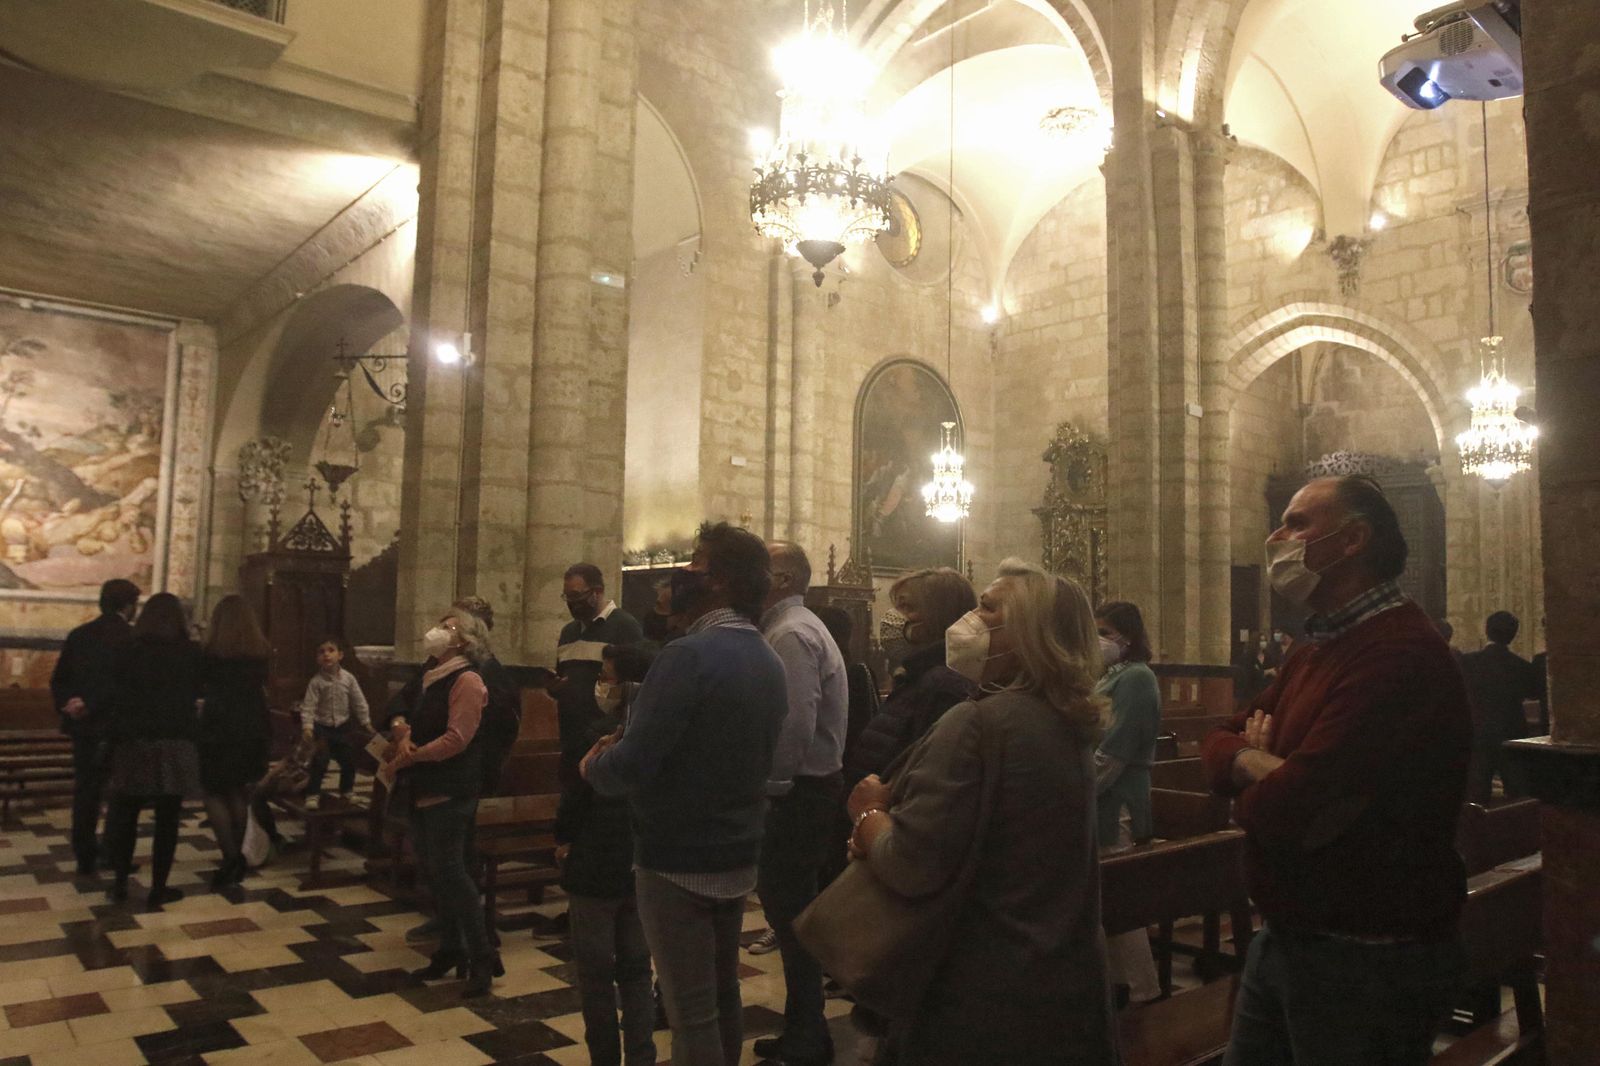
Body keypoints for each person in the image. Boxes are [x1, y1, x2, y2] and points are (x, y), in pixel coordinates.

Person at [1200, 476, 1472, 1065]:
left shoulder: (1396, 653)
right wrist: (1256, 762)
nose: (1278, 536)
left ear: (1353, 540)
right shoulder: (1315, 648)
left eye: (1298, 523)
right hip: (1290, 935)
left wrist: (1251, 792)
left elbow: (1299, 807)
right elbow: (1218, 740)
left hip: (1365, 954)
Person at [845, 560, 1117, 1065]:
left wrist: (868, 816)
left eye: (987, 608)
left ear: (1028, 635)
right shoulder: (1065, 717)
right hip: (1063, 979)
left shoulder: (978, 722)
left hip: (982, 993)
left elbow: (911, 862)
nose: (968, 620)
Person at [583, 522, 788, 1066]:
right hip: (738, 850)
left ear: (718, 581)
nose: (683, 573)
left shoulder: (688, 655)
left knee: (689, 1009)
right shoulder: (766, 657)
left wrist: (594, 764)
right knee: (723, 995)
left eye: (695, 562)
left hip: (678, 857)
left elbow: (633, 763)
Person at [752, 542, 848, 1066]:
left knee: (793, 920)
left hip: (798, 793)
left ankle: (809, 1036)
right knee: (791, 918)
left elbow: (793, 723)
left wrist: (771, 788)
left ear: (783, 578)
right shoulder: (794, 626)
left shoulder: (791, 632)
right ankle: (806, 1029)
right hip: (804, 790)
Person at [383, 607, 499, 997]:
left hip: (450, 787)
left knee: (452, 872)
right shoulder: (434, 675)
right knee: (436, 872)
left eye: (447, 626)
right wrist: (404, 735)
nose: (436, 630)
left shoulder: (466, 679)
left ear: (463, 641)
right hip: (425, 785)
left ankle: (482, 956)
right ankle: (451, 949)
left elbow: (457, 738)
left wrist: (412, 756)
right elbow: (419, 719)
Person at [557, 643, 658, 1066]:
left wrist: (562, 840)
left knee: (596, 976)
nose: (601, 684)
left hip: (596, 865)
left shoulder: (598, 737)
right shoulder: (659, 735)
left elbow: (576, 796)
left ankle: (605, 1059)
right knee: (637, 972)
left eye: (607, 676)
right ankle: (641, 1057)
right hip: (640, 864)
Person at [103, 592, 203, 907]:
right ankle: (159, 887)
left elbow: (113, 694)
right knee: (167, 818)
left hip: (134, 741)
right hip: (174, 740)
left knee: (127, 814)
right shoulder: (190, 652)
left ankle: (120, 882)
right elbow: (198, 692)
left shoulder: (126, 650)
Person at [845, 567, 977, 789]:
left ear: (939, 615)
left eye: (906, 606)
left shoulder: (945, 685)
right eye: (897, 606)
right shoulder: (916, 675)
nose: (893, 617)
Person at [1093, 600, 1164, 1006]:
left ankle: (1143, 992)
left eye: (1105, 632)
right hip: (1101, 798)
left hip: (1117, 801)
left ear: (1129, 637)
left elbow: (1114, 753)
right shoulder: (1108, 676)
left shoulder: (1137, 678)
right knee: (1106, 903)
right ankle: (1115, 989)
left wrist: (1077, 788)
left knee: (1122, 903)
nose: (1098, 640)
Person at [50, 578, 138, 876]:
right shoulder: (132, 638)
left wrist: (70, 703)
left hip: (83, 727)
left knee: (86, 792)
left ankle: (84, 853)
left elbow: (59, 679)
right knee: (121, 794)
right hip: (117, 727)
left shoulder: (80, 634)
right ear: (129, 606)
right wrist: (91, 703)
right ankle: (114, 852)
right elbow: (123, 685)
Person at [198, 594, 272, 888]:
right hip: (252, 724)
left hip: (218, 725)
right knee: (239, 792)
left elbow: (201, 687)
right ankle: (239, 858)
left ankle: (230, 858)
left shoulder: (210, 652)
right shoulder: (260, 652)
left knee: (214, 791)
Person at [556, 563, 644, 787]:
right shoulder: (568, 632)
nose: (572, 603)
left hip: (603, 735)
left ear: (596, 592)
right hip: (570, 736)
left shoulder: (624, 626)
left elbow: (633, 684)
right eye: (567, 597)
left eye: (576, 595)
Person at [1460, 611, 1539, 804]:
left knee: (1477, 794)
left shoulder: (1469, 662)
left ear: (1486, 630)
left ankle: (1477, 832)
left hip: (1479, 731)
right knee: (1517, 793)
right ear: (1513, 635)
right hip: (1511, 732)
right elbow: (1533, 693)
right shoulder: (1521, 666)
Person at [299, 637, 373, 805]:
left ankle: (346, 791)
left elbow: (358, 701)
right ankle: (313, 793)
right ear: (317, 658)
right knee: (320, 761)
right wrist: (308, 727)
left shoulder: (349, 679)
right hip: (322, 727)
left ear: (340, 655)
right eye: (322, 652)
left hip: (342, 726)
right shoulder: (316, 682)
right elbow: (309, 706)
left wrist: (365, 722)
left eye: (331, 650)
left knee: (348, 759)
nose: (326, 655)